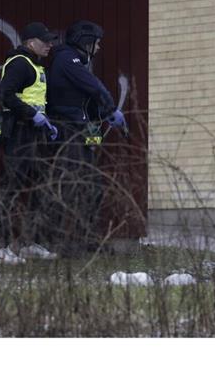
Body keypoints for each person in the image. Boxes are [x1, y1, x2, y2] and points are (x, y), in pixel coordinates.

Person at [46, 20, 127, 255]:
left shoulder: (74, 62)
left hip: (78, 130)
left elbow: (84, 101)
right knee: (71, 185)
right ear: (85, 42)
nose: (99, 48)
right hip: (67, 131)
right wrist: (111, 109)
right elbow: (94, 87)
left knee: (92, 187)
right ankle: (62, 243)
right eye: (97, 43)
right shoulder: (66, 59)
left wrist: (104, 114)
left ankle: (89, 240)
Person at [0, 22, 59, 264]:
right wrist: (33, 115)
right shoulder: (20, 64)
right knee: (9, 191)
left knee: (36, 191)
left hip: (33, 135)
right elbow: (5, 95)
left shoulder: (35, 65)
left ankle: (30, 244)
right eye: (45, 40)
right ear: (31, 42)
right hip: (19, 134)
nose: (50, 44)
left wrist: (45, 122)